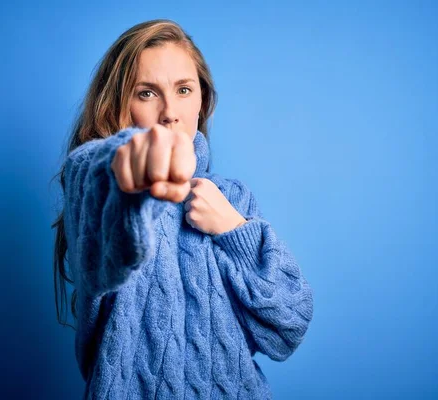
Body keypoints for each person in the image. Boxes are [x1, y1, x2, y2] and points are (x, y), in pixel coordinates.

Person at [51, 19, 314, 399]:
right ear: (118, 105)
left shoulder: (230, 199)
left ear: (201, 100)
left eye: (184, 89)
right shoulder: (97, 186)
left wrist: (234, 229)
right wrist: (126, 163)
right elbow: (91, 174)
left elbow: (288, 327)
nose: (170, 112)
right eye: (146, 93)